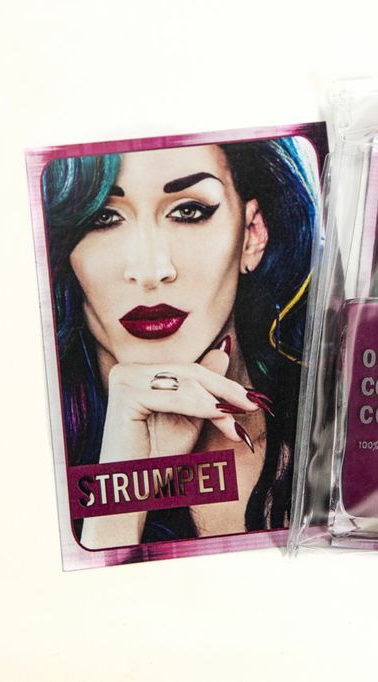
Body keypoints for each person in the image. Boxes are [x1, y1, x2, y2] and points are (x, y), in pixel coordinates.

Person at [42, 139, 318, 549]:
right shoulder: (30, 467)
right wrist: (122, 492)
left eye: (188, 211)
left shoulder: (336, 443)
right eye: (104, 217)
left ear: (252, 234)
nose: (150, 270)